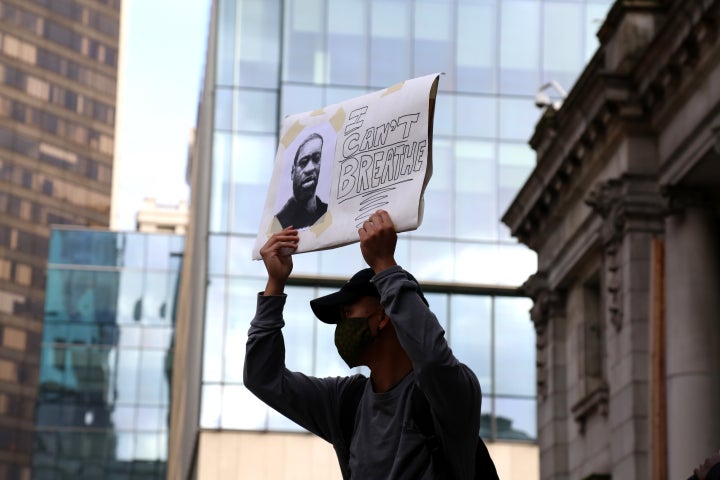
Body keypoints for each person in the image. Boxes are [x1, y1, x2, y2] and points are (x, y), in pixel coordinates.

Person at [244, 209, 482, 479]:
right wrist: (275, 284)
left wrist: (384, 265)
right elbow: (263, 379)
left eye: (347, 313)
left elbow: (431, 358)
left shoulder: (449, 394)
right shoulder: (346, 401)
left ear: (383, 315)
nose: (341, 326)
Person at [275, 132, 328, 229]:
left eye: (316, 159)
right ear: (292, 172)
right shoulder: (279, 224)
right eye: (304, 162)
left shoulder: (328, 213)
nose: (310, 168)